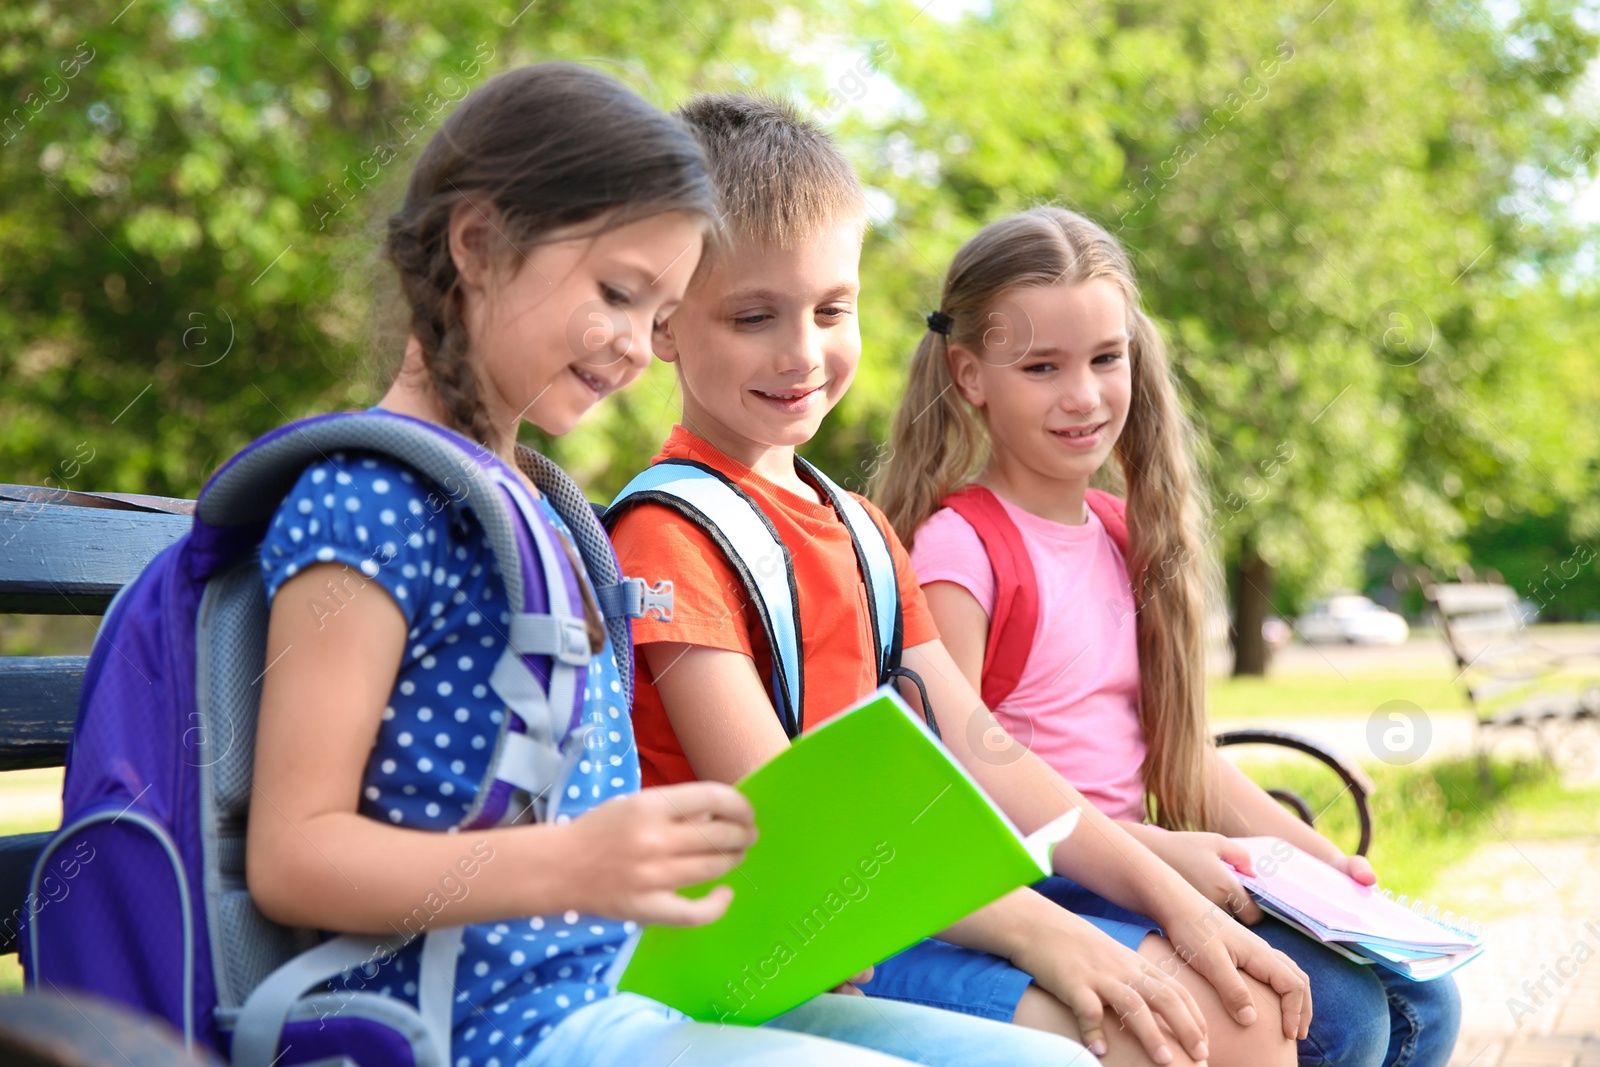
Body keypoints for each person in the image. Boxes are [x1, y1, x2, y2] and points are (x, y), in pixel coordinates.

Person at [245, 62, 1096, 1067]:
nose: (639, 348)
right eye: (619, 294)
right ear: (477, 245)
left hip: (630, 991)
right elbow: (293, 856)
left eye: (657, 311)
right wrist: (575, 862)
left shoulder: (543, 510)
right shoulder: (370, 499)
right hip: (464, 1031)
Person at [607, 92, 1314, 1067]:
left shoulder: (857, 529)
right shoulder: (668, 535)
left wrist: (1166, 894)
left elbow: (986, 755)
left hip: (888, 914)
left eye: (830, 309)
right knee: (1188, 1039)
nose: (801, 352)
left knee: (1242, 1016)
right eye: (752, 315)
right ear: (665, 324)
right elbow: (793, 824)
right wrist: (1044, 931)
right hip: (767, 958)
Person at [872, 205, 1462, 1067]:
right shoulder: (960, 549)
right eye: (1042, 367)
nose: (1084, 395)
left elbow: (1172, 753)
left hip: (1132, 868)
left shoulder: (1118, 534)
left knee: (1424, 998)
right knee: (1340, 1016)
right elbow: (956, 782)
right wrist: (1162, 853)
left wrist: (1321, 861)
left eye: (1106, 359)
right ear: (970, 375)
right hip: (1043, 882)